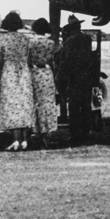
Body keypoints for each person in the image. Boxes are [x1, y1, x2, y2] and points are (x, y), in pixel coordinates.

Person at [0, 11, 34, 150]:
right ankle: (24, 139)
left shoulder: (3, 39)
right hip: (23, 72)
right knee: (24, 103)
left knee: (12, 104)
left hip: (9, 71)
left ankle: (15, 139)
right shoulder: (25, 39)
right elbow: (30, 58)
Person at [56, 15, 95, 145]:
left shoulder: (70, 41)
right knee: (86, 106)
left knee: (74, 107)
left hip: (74, 77)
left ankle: (75, 134)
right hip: (86, 76)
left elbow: (65, 60)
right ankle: (86, 132)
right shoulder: (86, 38)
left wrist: (61, 77)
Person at [28, 18, 59, 148]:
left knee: (36, 102)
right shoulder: (52, 43)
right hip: (47, 73)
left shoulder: (31, 43)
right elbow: (56, 60)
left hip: (34, 72)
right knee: (48, 102)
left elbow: (28, 59)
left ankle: (37, 130)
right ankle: (48, 132)